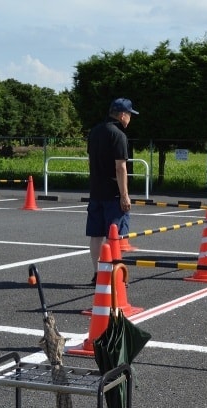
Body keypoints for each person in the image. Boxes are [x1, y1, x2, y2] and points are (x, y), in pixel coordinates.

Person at [85, 98, 138, 284]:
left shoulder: (95, 131)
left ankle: (97, 272)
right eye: (130, 114)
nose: (130, 118)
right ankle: (112, 273)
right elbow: (120, 167)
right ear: (123, 114)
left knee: (96, 235)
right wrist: (124, 195)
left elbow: (90, 160)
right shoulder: (119, 135)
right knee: (115, 235)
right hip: (113, 193)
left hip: (96, 190)